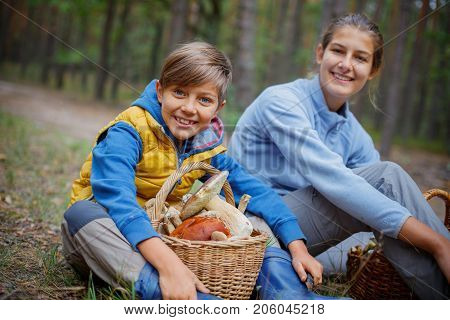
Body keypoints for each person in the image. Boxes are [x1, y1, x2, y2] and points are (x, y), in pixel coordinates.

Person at [61, 42, 334, 300]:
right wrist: (170, 266)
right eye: (179, 92)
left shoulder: (205, 144)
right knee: (81, 215)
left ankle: (288, 296)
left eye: (204, 100)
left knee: (250, 222)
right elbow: (116, 199)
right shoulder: (128, 131)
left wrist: (297, 246)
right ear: (160, 91)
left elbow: (255, 190)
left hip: (161, 240)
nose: (189, 108)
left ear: (218, 108)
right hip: (110, 241)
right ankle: (184, 296)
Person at [228, 14, 450, 299]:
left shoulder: (355, 134)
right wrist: (436, 244)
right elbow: (336, 180)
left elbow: (376, 204)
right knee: (387, 178)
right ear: (321, 53)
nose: (346, 64)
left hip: (308, 239)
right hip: (256, 228)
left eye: (360, 57)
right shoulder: (282, 101)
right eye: (338, 51)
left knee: (382, 221)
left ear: (372, 70)